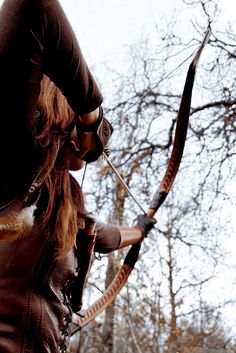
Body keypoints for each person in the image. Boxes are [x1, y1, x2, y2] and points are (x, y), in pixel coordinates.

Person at [0, 1, 156, 352]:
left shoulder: (58, 201)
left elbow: (102, 235)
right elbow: (33, 9)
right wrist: (90, 113)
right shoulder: (16, 157)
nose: (87, 155)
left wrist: (140, 230)